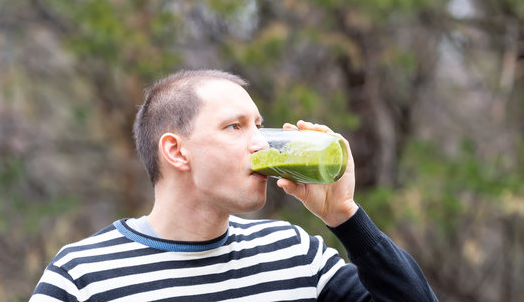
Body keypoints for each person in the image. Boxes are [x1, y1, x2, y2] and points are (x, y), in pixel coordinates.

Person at [30, 69, 438, 301]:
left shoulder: (295, 253)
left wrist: (344, 215)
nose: (260, 143)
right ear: (176, 152)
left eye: (259, 126)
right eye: (235, 127)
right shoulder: (83, 275)